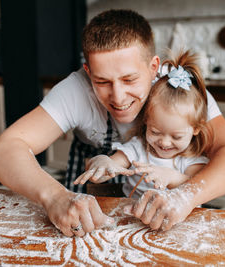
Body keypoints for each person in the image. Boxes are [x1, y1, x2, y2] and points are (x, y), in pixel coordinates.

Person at [0, 9, 225, 237]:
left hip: (168, 198)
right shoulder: (74, 89)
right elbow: (2, 151)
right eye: (102, 82)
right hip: (91, 178)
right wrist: (54, 197)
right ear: (88, 71)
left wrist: (185, 197)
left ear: (153, 67)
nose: (118, 97)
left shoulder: (178, 88)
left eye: (129, 80)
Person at [74, 50, 213, 202]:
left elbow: (197, 186)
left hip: (177, 220)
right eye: (155, 132)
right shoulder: (138, 148)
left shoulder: (192, 159)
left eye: (176, 136)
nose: (165, 142)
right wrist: (103, 163)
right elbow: (111, 166)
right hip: (134, 217)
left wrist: (173, 178)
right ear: (146, 121)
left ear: (196, 129)